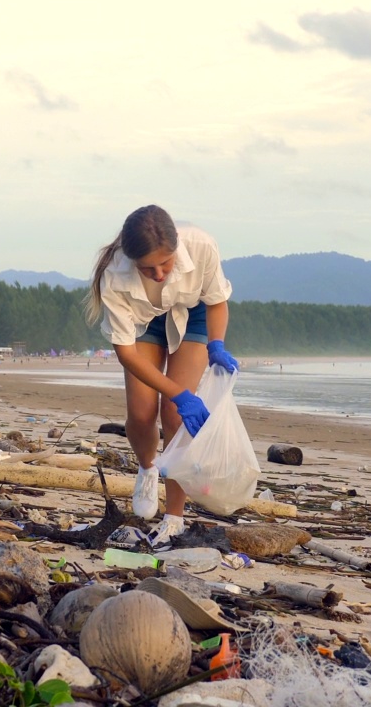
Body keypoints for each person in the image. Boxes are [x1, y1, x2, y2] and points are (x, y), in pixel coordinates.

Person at [85, 205, 239, 545]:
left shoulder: (201, 245)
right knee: (141, 414)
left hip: (192, 311)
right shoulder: (114, 274)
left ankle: (174, 518)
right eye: (148, 268)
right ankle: (147, 467)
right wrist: (179, 392)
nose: (158, 273)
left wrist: (216, 344)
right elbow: (126, 352)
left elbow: (216, 301)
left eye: (166, 263)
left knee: (174, 416)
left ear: (176, 248)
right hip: (143, 321)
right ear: (131, 258)